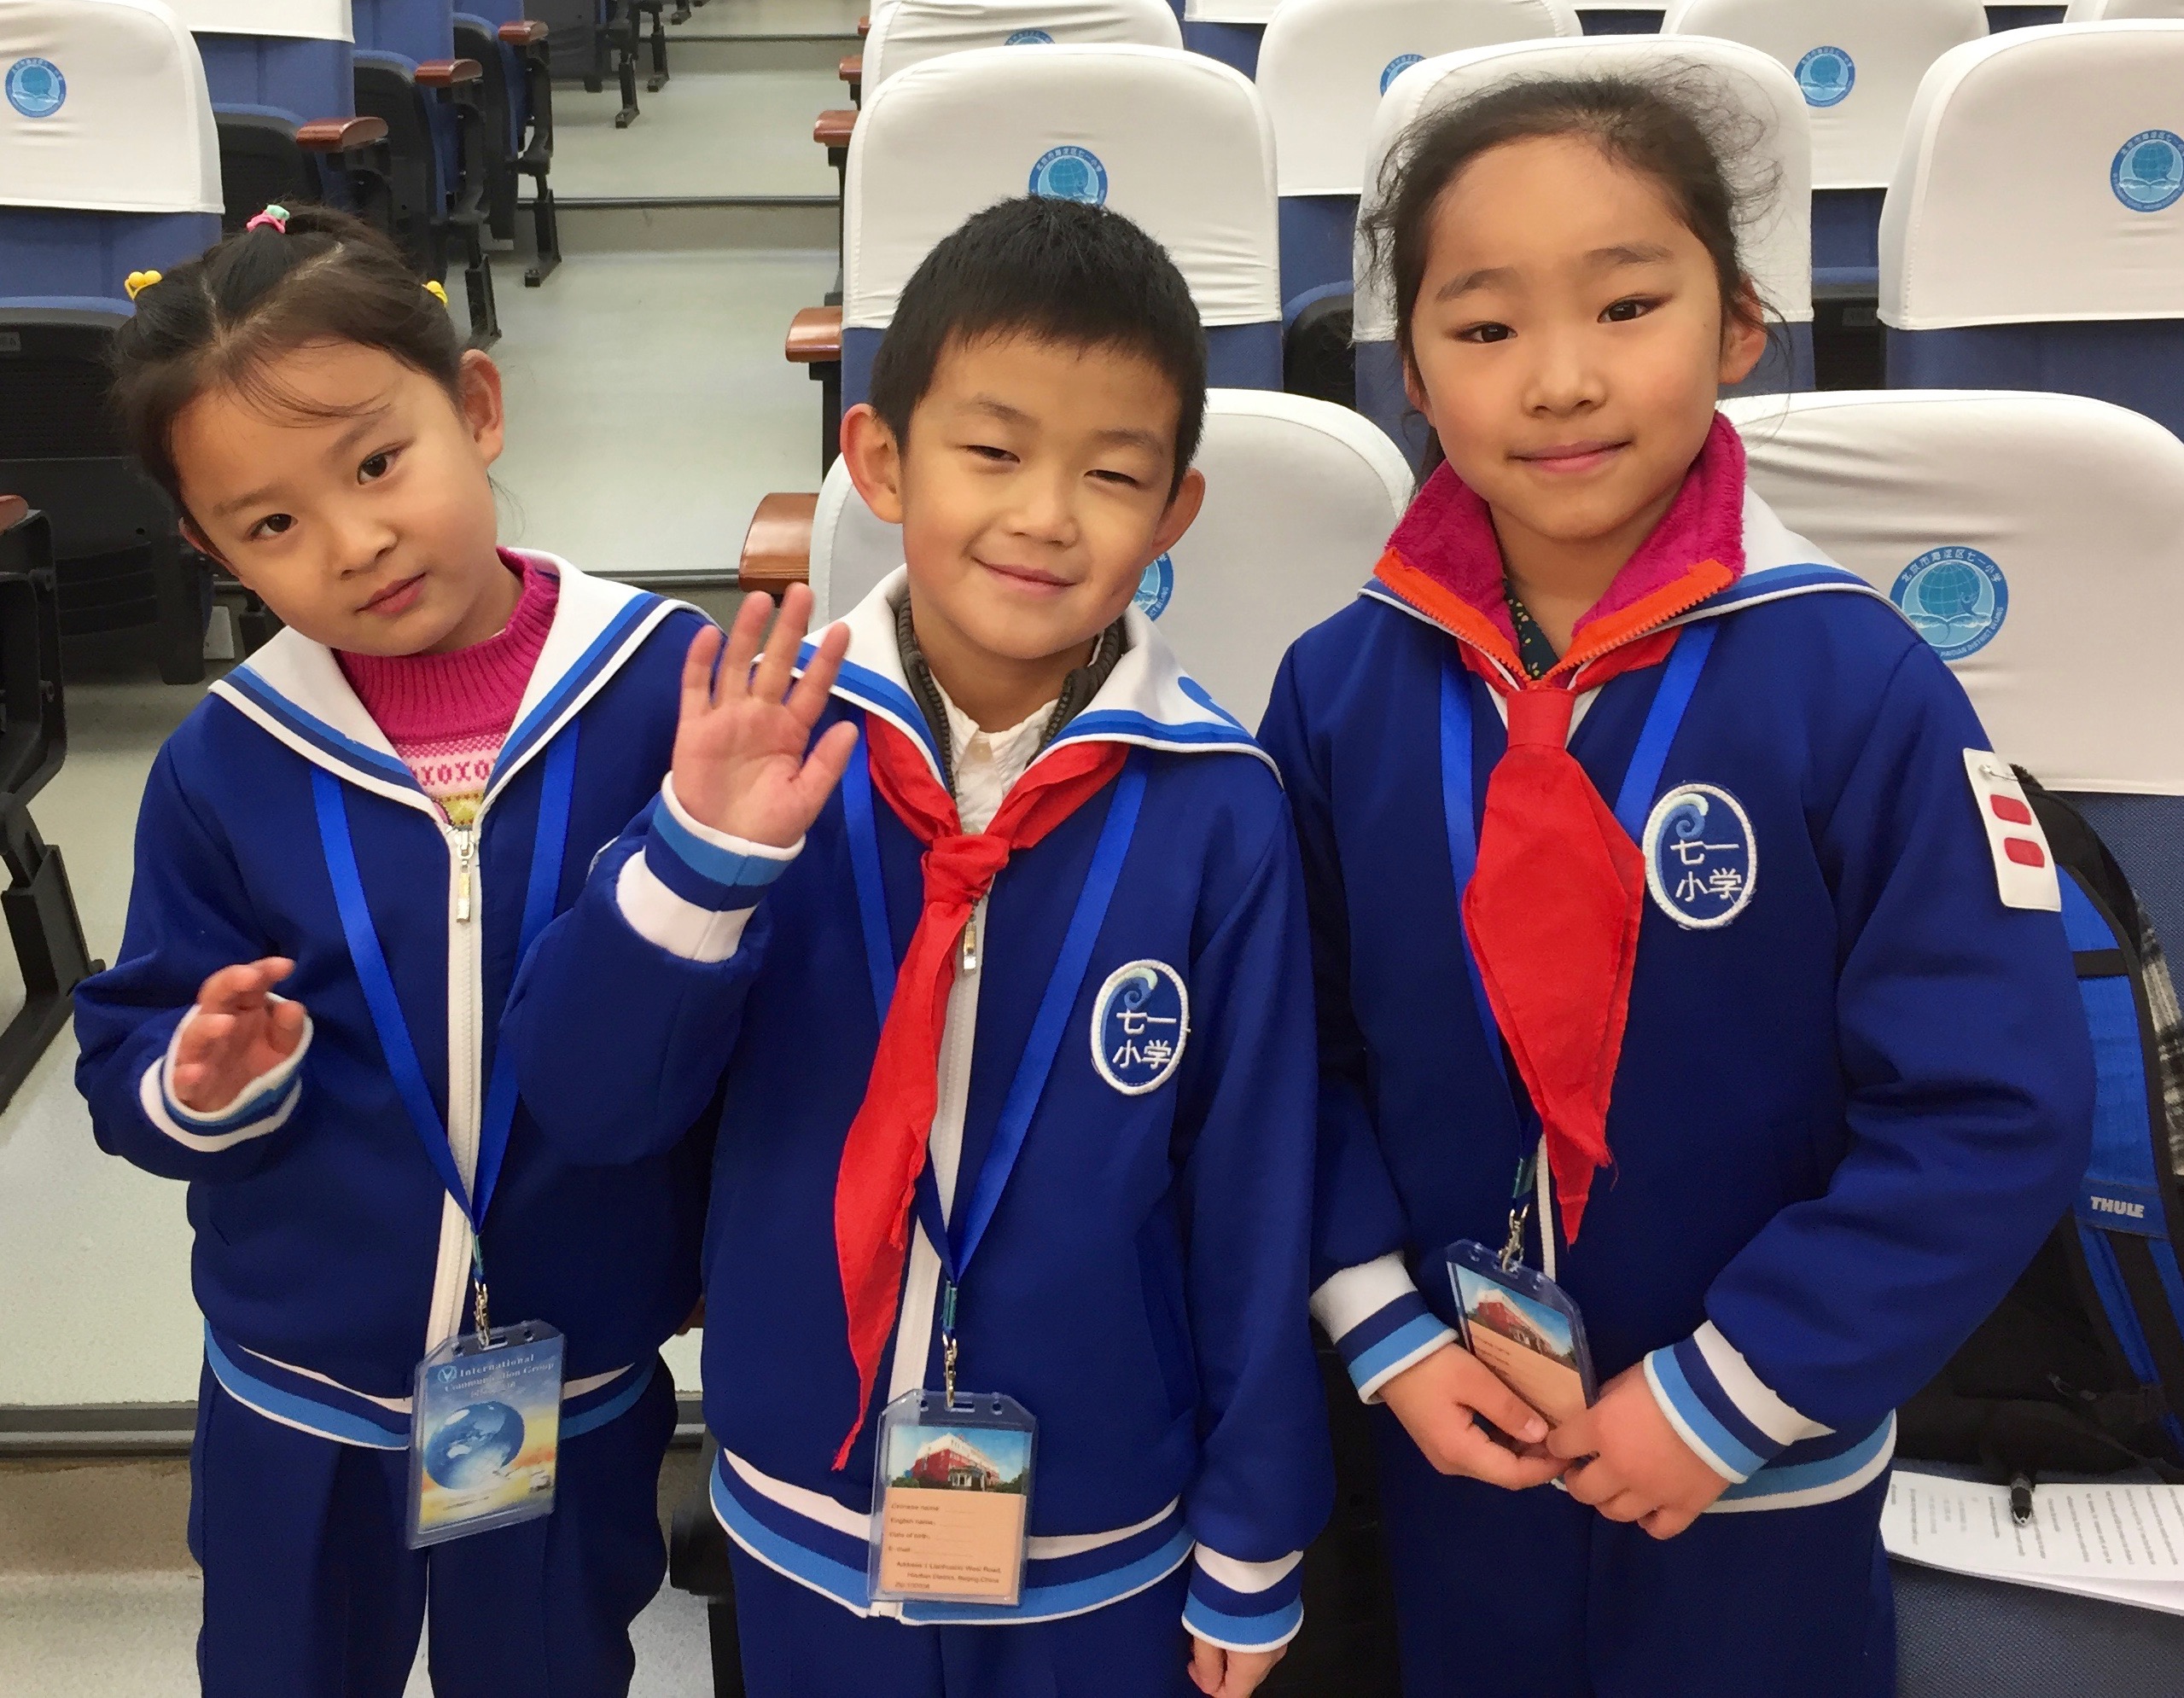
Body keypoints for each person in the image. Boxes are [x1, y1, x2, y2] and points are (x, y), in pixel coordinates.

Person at [1258, 78, 2094, 1697]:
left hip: (1757, 1466)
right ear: (1411, 371)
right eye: (1484, 328)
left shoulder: (1858, 685)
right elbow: (1295, 1051)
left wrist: (1734, 1388)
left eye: (1627, 306)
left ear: (1741, 327)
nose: (1562, 378)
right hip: (1461, 1441)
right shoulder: (1339, 691)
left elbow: (1993, 1107)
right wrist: (1383, 1323)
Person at [502, 196, 1331, 1698]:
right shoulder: (762, 755)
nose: (1047, 515)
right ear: (881, 461)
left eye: (1112, 473)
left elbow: (1256, 1188)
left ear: (1175, 511)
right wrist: (702, 862)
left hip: (1100, 1512)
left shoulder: (1221, 805)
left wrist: (1256, 1525)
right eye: (993, 452)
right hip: (801, 1483)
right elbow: (592, 1103)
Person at [73, 206, 713, 1697]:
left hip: (570, 1359)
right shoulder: (226, 762)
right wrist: (201, 1078)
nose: (353, 543)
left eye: (376, 464)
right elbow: (127, 1058)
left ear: (476, 406)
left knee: (549, 1668)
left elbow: (753, 1017)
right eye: (270, 525)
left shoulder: (671, 694)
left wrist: (710, 1243)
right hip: (301, 1382)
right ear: (208, 549)